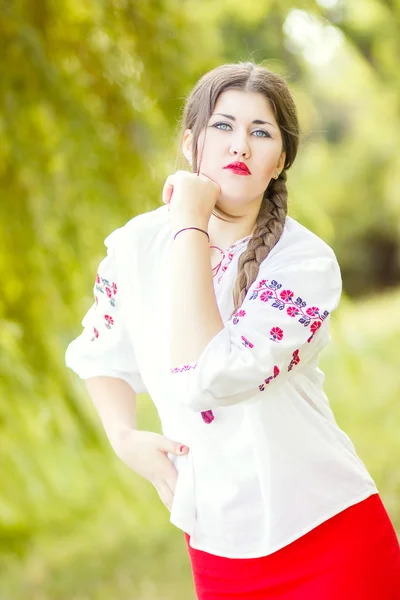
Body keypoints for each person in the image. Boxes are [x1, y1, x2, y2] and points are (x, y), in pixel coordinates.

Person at [65, 62, 400, 599]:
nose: (239, 145)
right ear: (190, 142)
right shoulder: (134, 246)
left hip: (330, 535)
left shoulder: (304, 264)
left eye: (260, 132)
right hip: (219, 547)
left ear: (281, 160)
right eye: (223, 127)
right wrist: (123, 436)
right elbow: (100, 353)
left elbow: (210, 376)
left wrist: (191, 224)